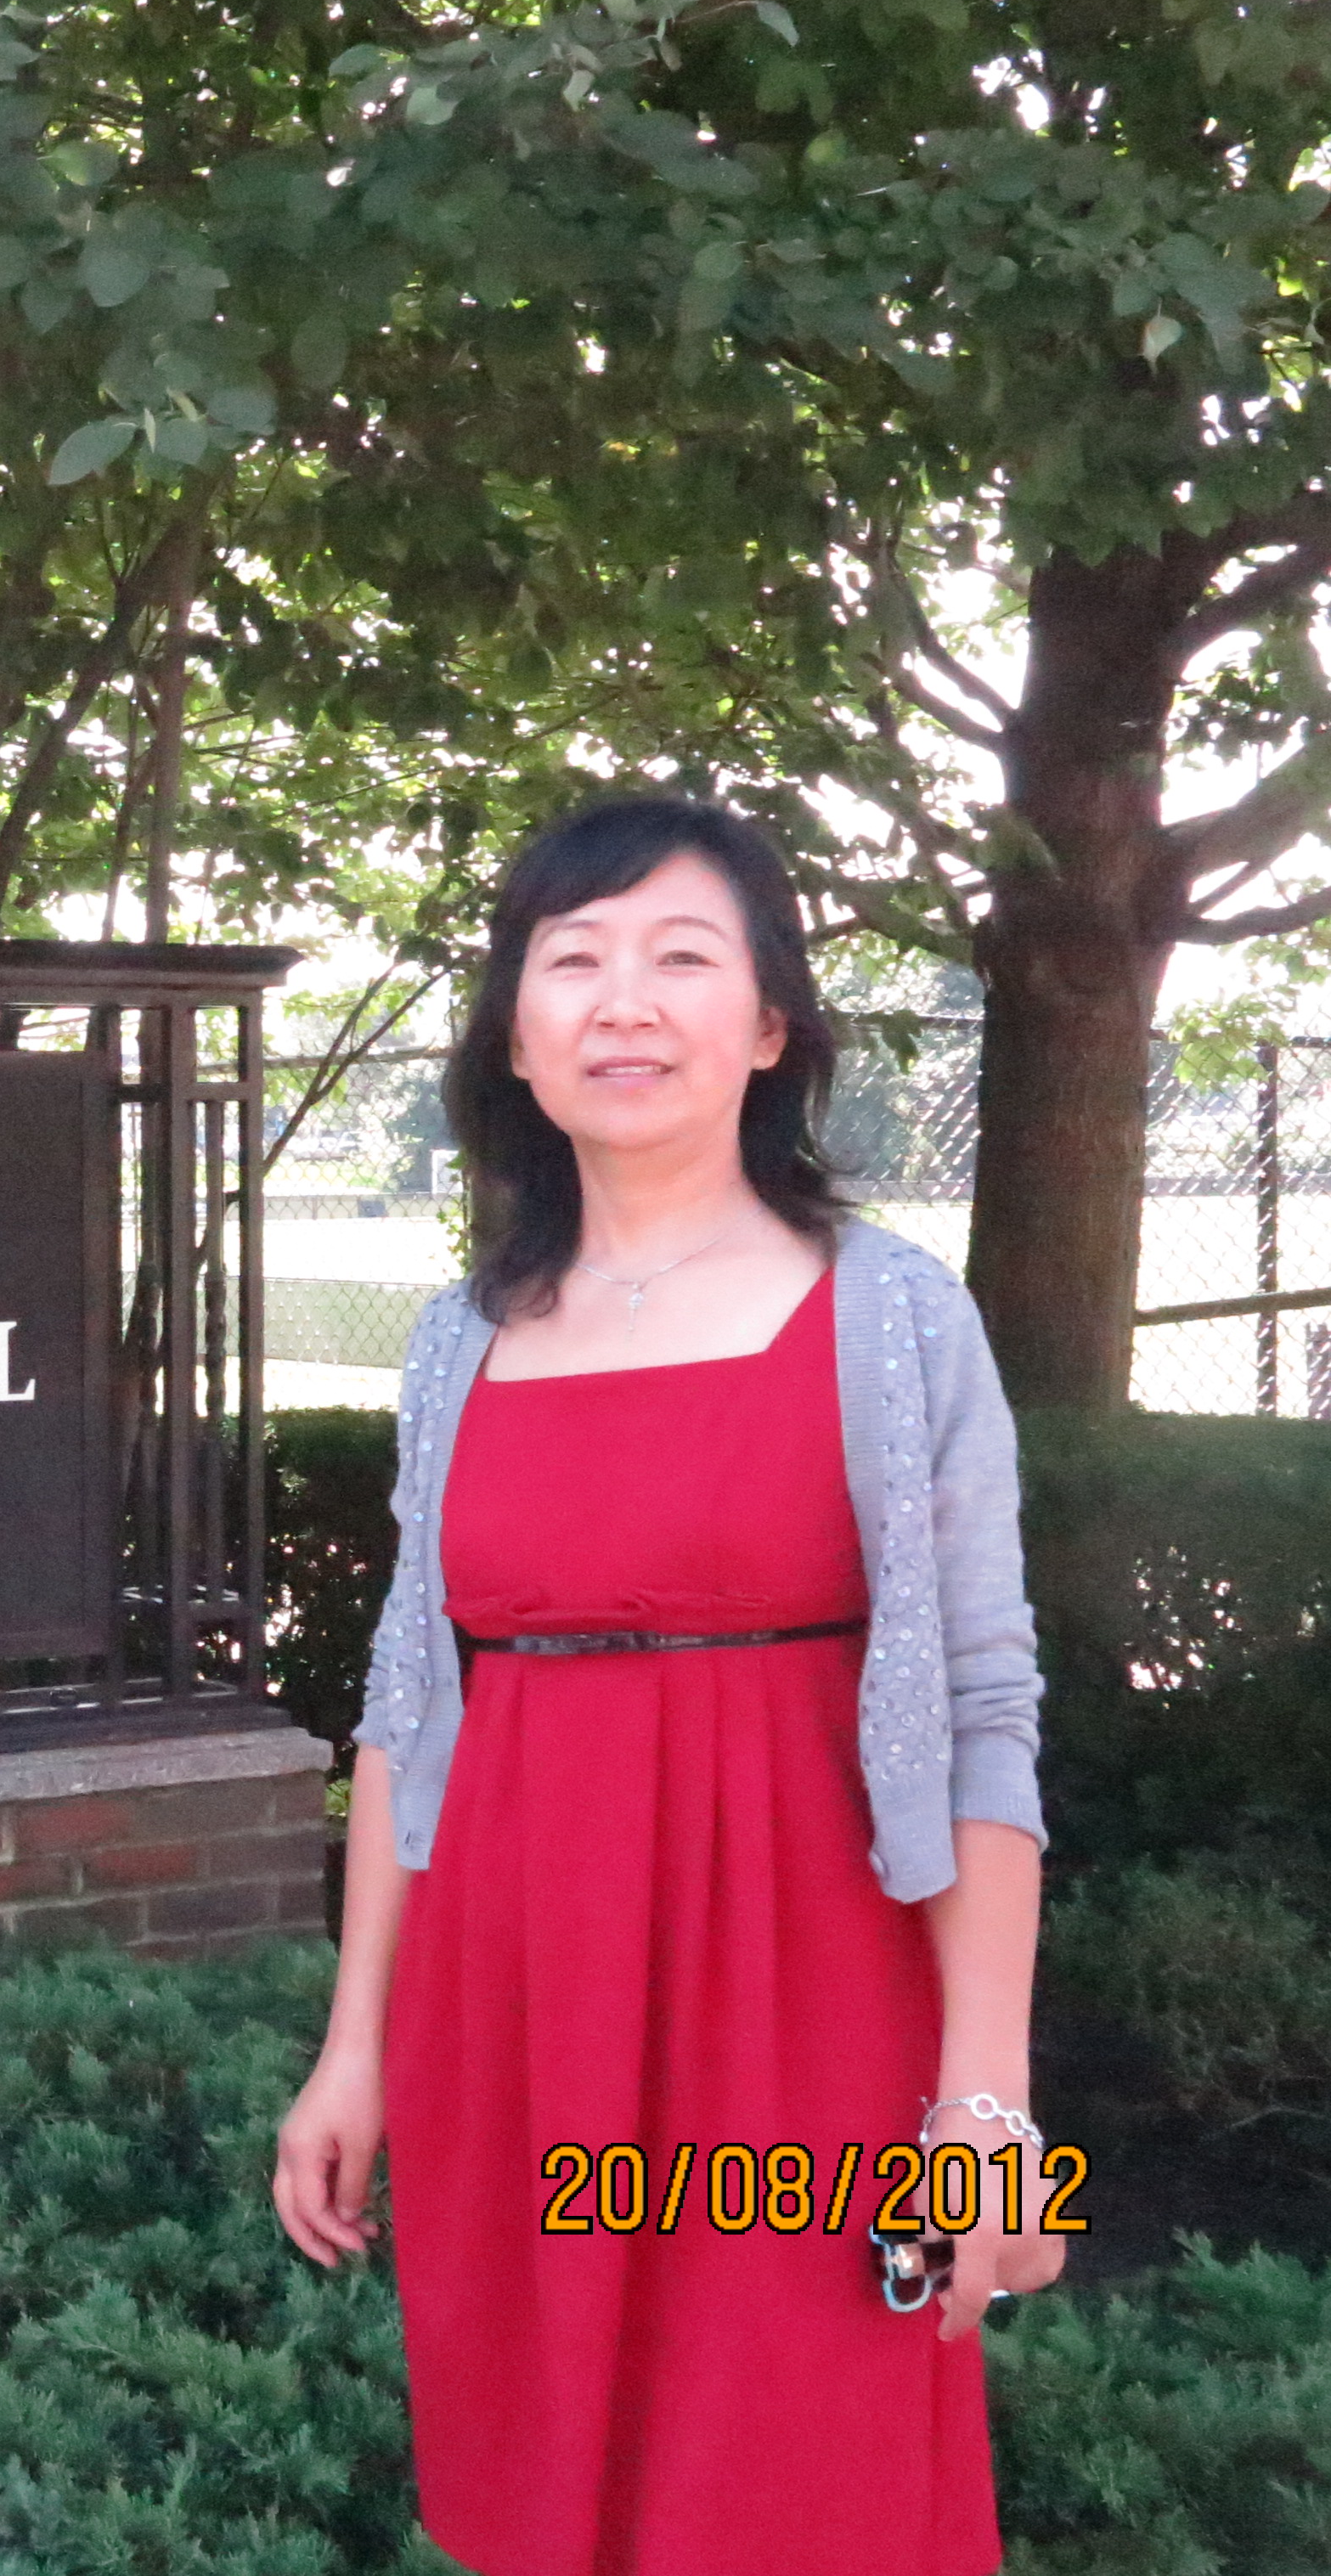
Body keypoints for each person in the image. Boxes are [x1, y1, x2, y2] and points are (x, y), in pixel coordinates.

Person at [268, 793, 1064, 2576]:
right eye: (574, 960)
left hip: (806, 2018)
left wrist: (991, 2108)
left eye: (681, 956)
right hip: (512, 2015)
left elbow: (980, 1708)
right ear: (516, 1033)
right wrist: (353, 2051)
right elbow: (407, 1708)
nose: (623, 1001)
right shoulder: (457, 1339)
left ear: (769, 1025)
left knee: (806, 2480)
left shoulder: (891, 1317)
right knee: (543, 2487)